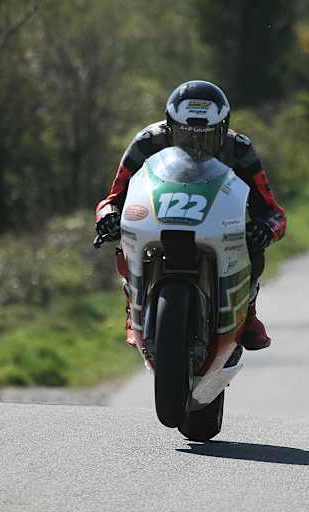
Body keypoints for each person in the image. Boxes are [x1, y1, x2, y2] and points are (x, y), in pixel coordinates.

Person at [95, 80, 286, 351]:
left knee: (255, 246)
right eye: (186, 137)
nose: (196, 145)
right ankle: (132, 309)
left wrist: (266, 229)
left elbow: (273, 211)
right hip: (159, 215)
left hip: (217, 220)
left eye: (206, 137)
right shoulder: (147, 142)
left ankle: (248, 314)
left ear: (223, 129)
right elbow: (113, 198)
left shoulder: (240, 149)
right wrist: (108, 216)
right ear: (170, 128)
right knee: (123, 239)